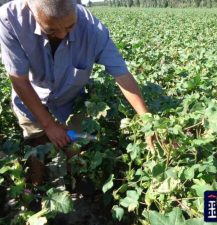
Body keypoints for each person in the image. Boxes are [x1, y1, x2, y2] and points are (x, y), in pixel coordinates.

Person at [0, 0, 153, 184]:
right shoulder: (10, 19)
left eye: (70, 26)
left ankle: (77, 186)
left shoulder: (92, 29)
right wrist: (48, 125)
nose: (63, 34)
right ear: (31, 9)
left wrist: (148, 122)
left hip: (70, 101)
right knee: (37, 147)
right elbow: (19, 80)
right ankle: (36, 189)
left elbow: (121, 74)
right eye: (51, 30)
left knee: (75, 146)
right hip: (31, 98)